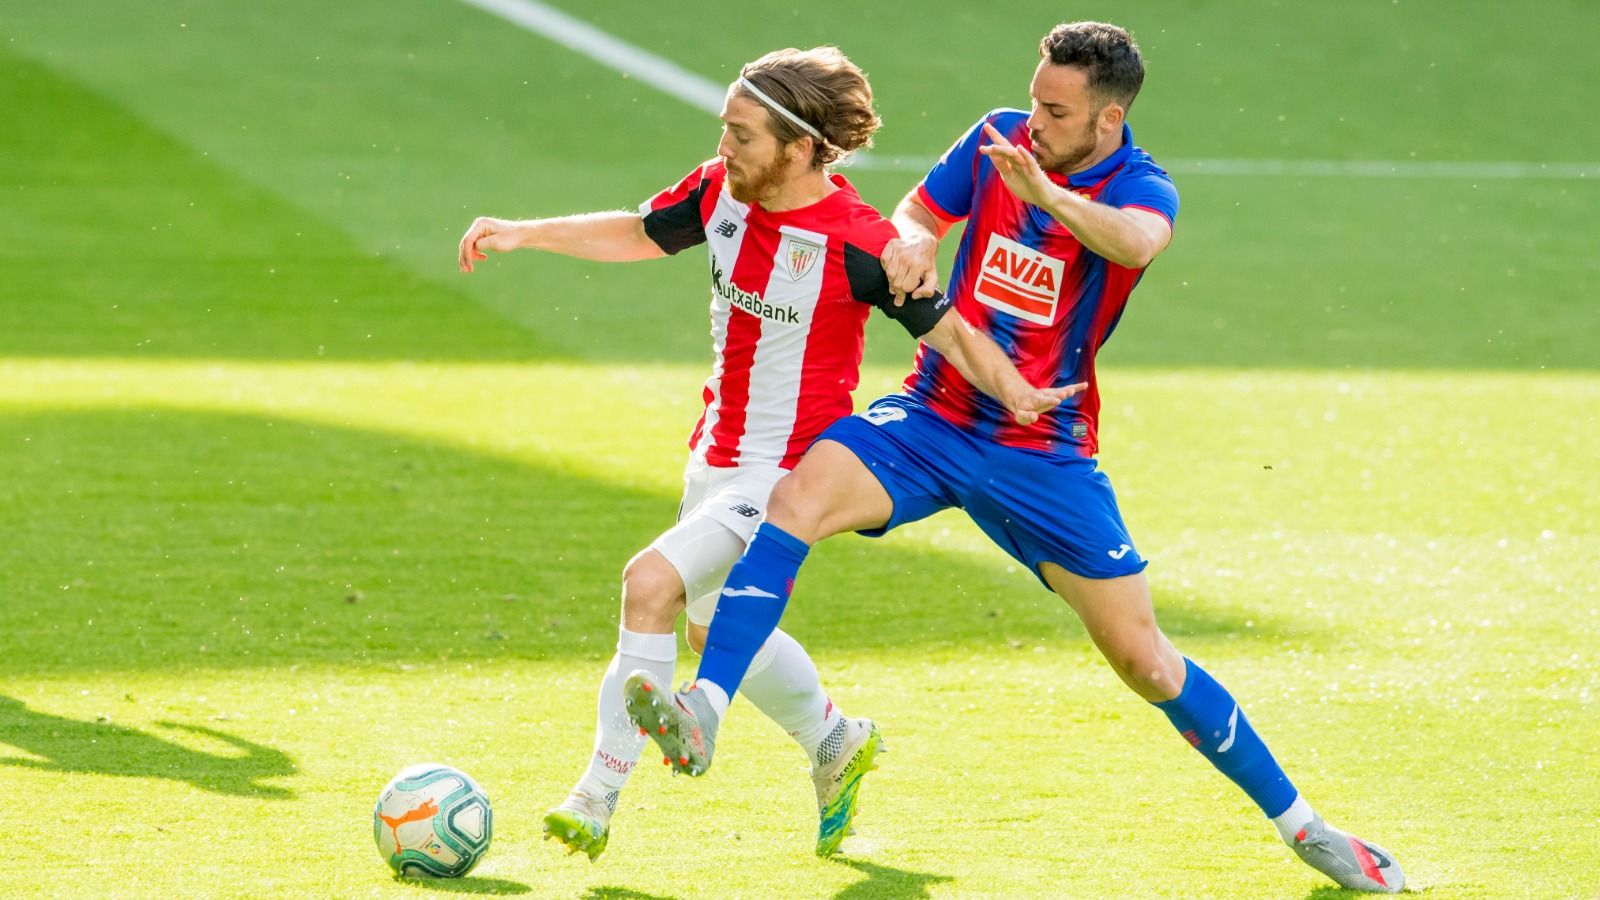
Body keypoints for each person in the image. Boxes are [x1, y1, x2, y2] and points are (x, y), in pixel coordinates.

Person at [627, 23, 1405, 892]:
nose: (1033, 120)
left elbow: (1136, 243)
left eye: (1056, 110)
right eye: (1034, 98)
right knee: (793, 502)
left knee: (1145, 662)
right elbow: (919, 208)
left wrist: (1047, 193)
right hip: (932, 416)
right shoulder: (998, 133)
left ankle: (1307, 829)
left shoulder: (1142, 187)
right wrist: (915, 236)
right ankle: (706, 707)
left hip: (1044, 453)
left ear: (1107, 120)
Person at [457, 47, 1077, 860]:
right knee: (713, 629)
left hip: (787, 473)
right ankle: (835, 740)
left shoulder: (861, 242)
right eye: (724, 128)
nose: (724, 146)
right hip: (713, 457)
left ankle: (596, 795)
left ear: (800, 146)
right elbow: (643, 233)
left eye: (741, 135)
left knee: (649, 584)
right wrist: (523, 233)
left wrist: (1020, 394)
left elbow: (950, 332)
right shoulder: (719, 191)